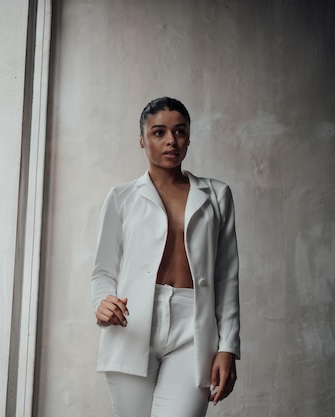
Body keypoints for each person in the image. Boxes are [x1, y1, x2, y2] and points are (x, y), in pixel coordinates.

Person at [91, 97, 240, 417]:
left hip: (194, 328)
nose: (171, 140)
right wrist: (101, 303)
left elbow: (226, 277)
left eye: (180, 131)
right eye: (159, 132)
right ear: (142, 139)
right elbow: (103, 271)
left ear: (189, 137)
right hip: (133, 324)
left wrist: (228, 346)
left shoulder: (217, 195)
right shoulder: (122, 197)